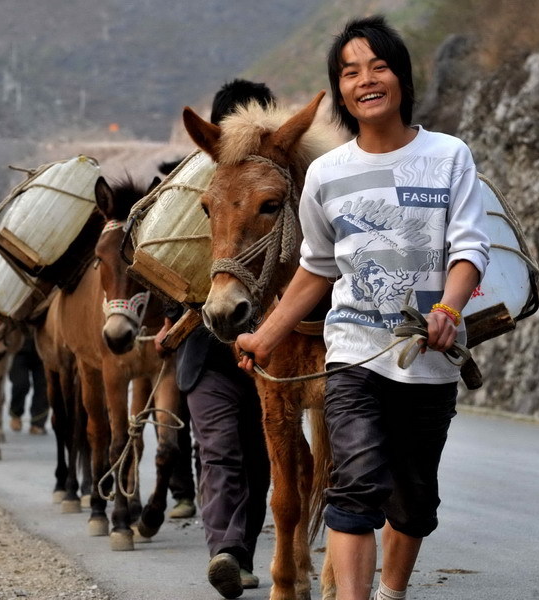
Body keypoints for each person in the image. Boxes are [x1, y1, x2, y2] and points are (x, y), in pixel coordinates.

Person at [237, 16, 490, 600]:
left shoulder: (449, 156)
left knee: (415, 499)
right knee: (354, 487)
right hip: (352, 355)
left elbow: (469, 247)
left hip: (428, 358)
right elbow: (316, 267)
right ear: (341, 90)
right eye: (350, 72)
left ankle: (391, 591)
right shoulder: (327, 173)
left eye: (378, 66)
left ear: (400, 77)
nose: (365, 80)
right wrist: (266, 335)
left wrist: (450, 310)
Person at [157, 79, 276, 599]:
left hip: (270, 344)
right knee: (220, 450)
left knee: (259, 452)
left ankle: (240, 550)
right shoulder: (189, 195)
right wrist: (163, 318)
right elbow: (160, 261)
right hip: (205, 348)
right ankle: (226, 552)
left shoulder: (282, 185)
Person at [7, 331, 49, 434]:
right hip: (19, 349)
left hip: (43, 349)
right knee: (20, 384)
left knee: (42, 386)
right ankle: (16, 414)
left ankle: (38, 423)